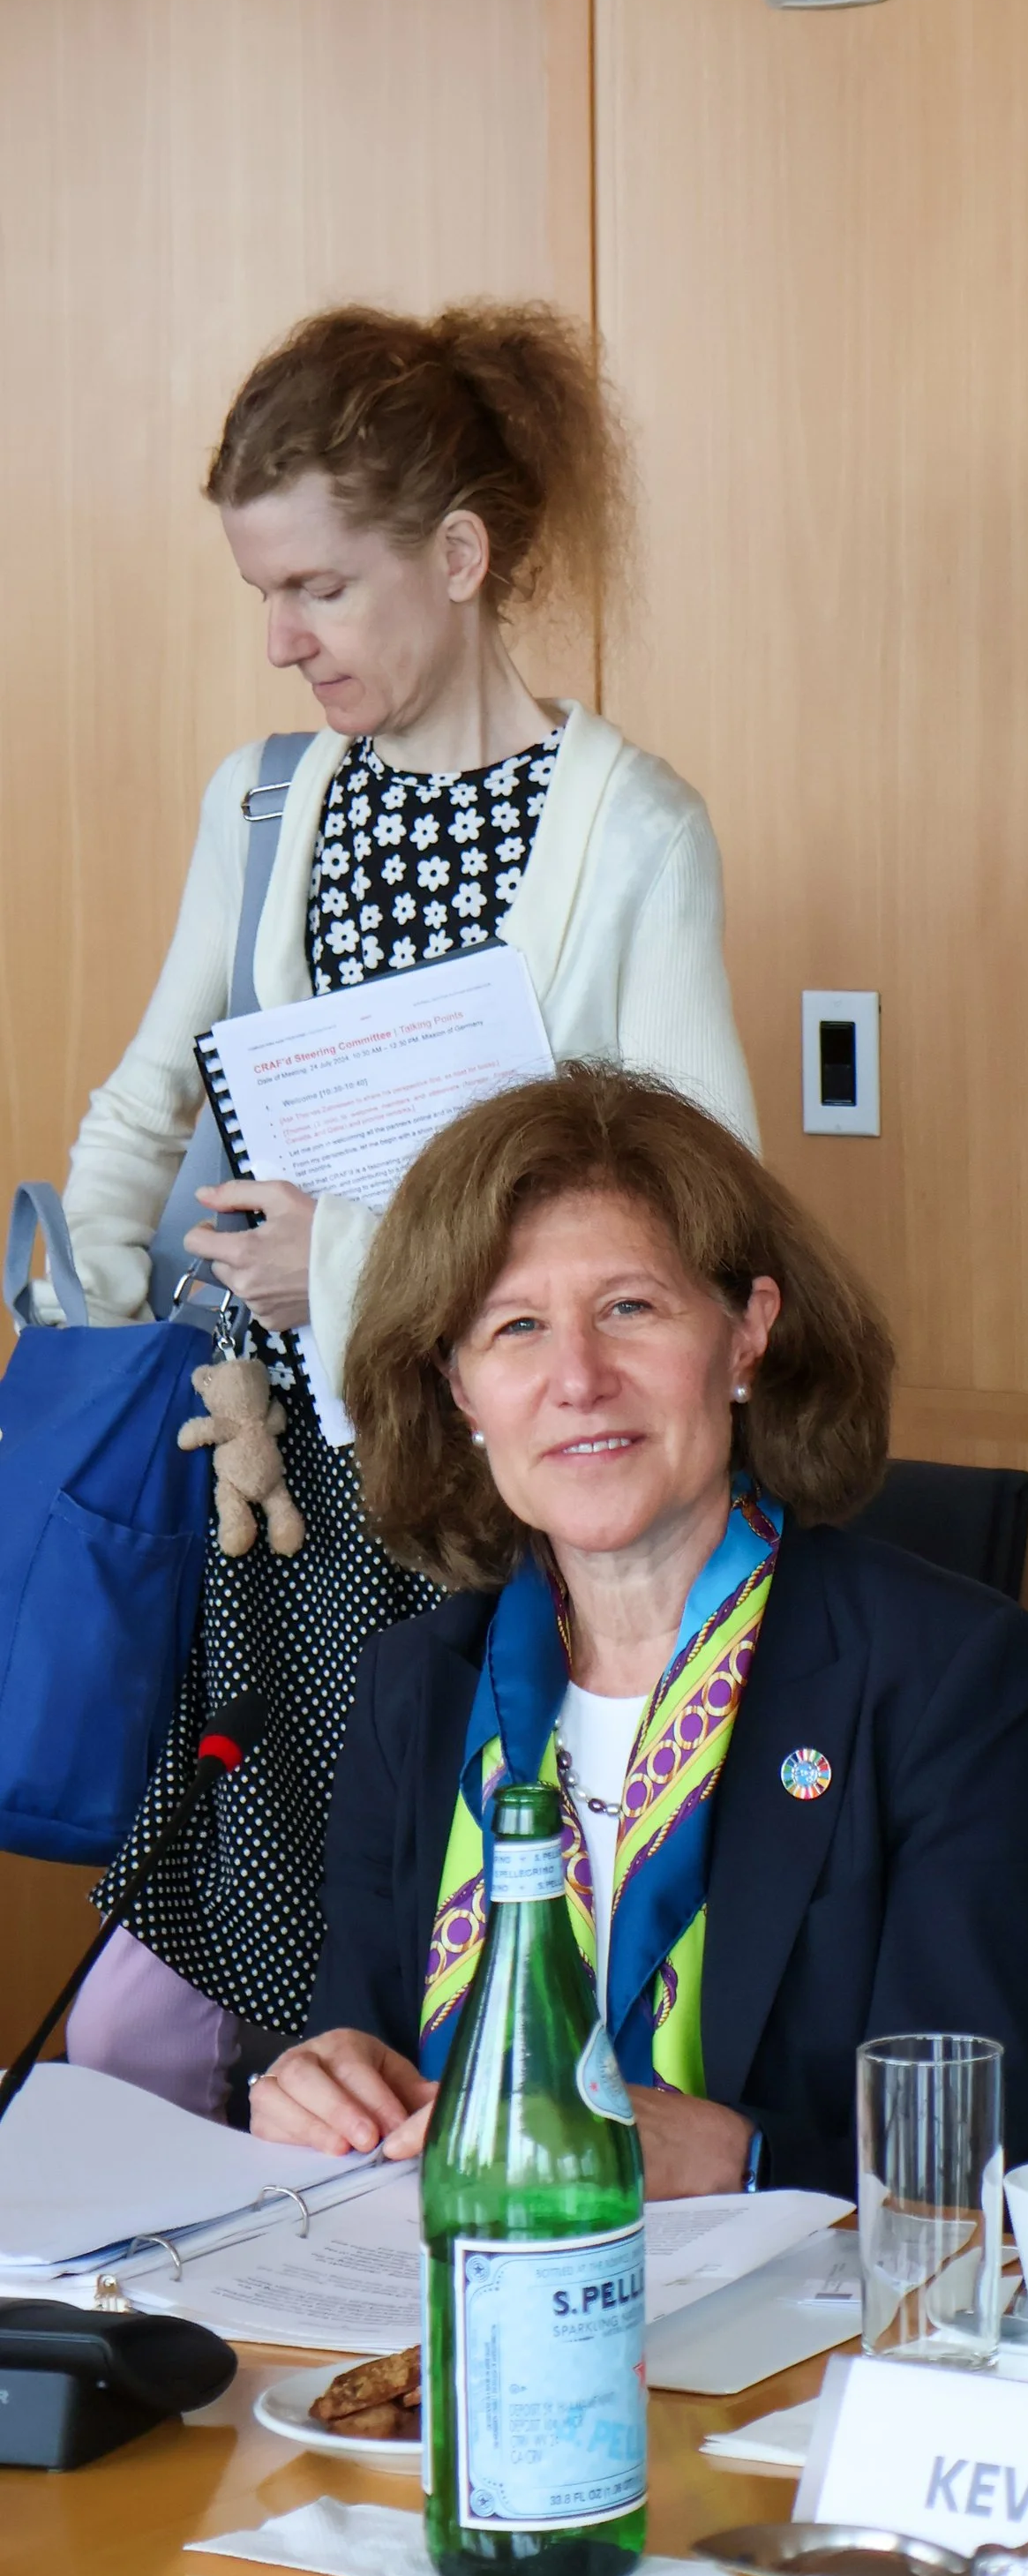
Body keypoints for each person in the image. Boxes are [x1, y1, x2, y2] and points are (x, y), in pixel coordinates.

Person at [62, 305, 759, 2120]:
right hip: (272, 1510)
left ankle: (381, 2365)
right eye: (261, 597)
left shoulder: (629, 833)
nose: (284, 642)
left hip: (488, 1512)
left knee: (399, 2013)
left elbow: (689, 1212)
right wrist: (70, 1355)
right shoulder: (265, 795)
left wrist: (352, 1264)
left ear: (456, 560)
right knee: (170, 2012)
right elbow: (155, 1085)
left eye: (321, 590)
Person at [250, 1064, 1028, 2194]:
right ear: (459, 1390)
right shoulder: (419, 1684)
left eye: (628, 1309)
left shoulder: (947, 1677)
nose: (577, 1379)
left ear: (746, 1336)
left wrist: (747, 2159)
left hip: (787, 2338)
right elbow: (368, 2050)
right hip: (455, 2304)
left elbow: (978, 2149)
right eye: (516, 1328)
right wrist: (328, 2085)